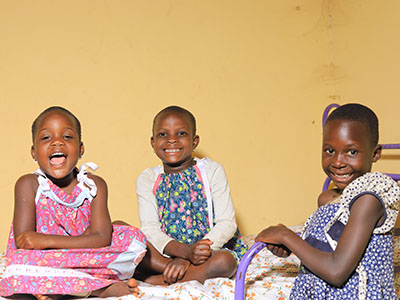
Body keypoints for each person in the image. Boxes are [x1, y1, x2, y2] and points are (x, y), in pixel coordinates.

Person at [0, 106, 147, 300]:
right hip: (46, 261)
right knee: (13, 266)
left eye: (67, 137)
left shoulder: (95, 185)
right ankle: (98, 288)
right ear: (34, 152)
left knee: (130, 236)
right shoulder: (28, 184)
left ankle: (62, 289)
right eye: (46, 138)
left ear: (81, 148)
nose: (57, 142)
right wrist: (50, 247)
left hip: (88, 259)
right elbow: (24, 242)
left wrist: (47, 240)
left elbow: (102, 238)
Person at [256, 103, 400, 299]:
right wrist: (292, 248)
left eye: (352, 152)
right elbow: (326, 247)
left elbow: (336, 271)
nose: (338, 162)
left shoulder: (369, 198)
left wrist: (286, 236)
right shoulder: (328, 200)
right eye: (329, 150)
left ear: (375, 153)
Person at [135, 105, 248, 285]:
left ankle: (157, 279)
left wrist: (194, 254)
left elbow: (227, 223)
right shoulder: (148, 178)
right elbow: (150, 230)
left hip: (207, 251)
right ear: (153, 142)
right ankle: (170, 268)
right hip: (167, 252)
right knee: (121, 233)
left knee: (225, 262)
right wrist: (184, 253)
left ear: (195, 141)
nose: (171, 140)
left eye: (181, 134)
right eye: (163, 134)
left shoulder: (212, 171)